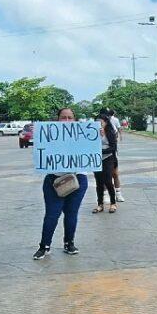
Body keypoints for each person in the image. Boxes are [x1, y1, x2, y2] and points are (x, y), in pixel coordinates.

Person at [35, 107, 89, 259]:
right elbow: (42, 152)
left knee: (72, 213)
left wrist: (96, 137)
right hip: (54, 180)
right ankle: (44, 246)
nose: (66, 121)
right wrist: (38, 135)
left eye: (70, 117)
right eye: (63, 117)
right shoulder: (50, 135)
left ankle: (69, 243)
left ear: (75, 119)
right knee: (52, 214)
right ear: (57, 120)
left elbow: (92, 150)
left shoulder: (84, 135)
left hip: (77, 180)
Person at [92, 110, 119, 214]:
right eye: (97, 122)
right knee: (99, 182)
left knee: (108, 181)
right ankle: (100, 204)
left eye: (101, 122)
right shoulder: (91, 132)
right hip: (96, 159)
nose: (99, 124)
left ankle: (113, 203)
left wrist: (101, 151)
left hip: (108, 158)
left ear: (106, 122)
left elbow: (113, 148)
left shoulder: (110, 133)